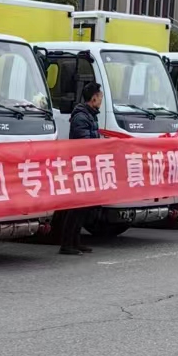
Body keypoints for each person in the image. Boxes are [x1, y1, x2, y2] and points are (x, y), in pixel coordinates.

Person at [58, 84, 102, 255]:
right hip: (80, 167)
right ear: (93, 98)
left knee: (84, 206)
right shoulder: (81, 118)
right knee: (76, 207)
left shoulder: (90, 116)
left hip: (88, 165)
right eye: (100, 97)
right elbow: (84, 144)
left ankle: (76, 241)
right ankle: (66, 243)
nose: (101, 101)